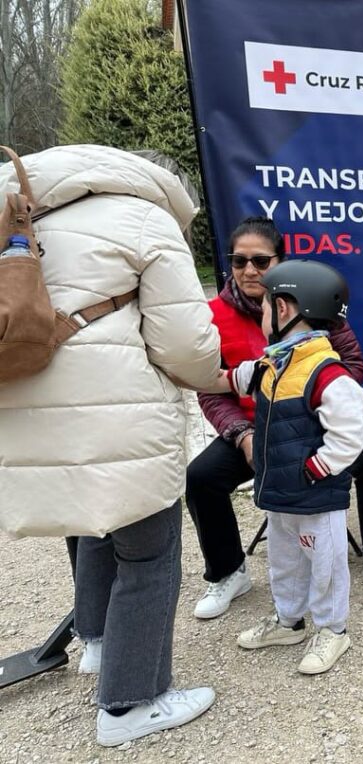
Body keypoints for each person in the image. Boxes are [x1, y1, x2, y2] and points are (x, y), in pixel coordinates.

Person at [0, 145, 221, 745]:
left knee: (92, 525)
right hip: (118, 413)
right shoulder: (144, 217)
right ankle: (129, 704)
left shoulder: (21, 209)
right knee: (148, 554)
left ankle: (97, 644)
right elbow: (187, 345)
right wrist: (209, 376)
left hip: (23, 409)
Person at [186, 218, 363, 613]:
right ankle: (229, 572)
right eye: (238, 261)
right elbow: (214, 388)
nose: (248, 270)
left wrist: (313, 408)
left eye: (260, 261)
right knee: (201, 477)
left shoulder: (314, 303)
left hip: (317, 423)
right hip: (255, 429)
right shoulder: (212, 315)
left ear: (279, 263)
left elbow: (352, 367)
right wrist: (244, 435)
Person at [220, 259, 363, 675]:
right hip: (281, 492)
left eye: (265, 305)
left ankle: (333, 630)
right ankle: (289, 620)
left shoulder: (327, 373)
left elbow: (350, 434)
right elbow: (229, 379)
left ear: (283, 309)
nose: (262, 313)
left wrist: (318, 467)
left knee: (326, 564)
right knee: (284, 560)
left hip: (315, 493)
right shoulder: (273, 363)